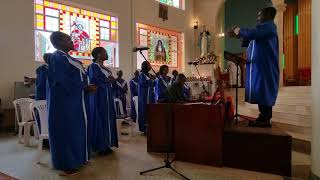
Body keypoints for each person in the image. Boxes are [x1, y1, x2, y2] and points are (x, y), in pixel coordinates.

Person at [47, 31, 95, 175]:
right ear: (60, 42)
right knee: (67, 131)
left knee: (77, 130)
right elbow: (62, 81)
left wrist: (86, 88)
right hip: (65, 104)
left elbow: (77, 78)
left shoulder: (69, 58)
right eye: (68, 39)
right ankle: (67, 163)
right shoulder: (57, 58)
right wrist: (84, 87)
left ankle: (78, 158)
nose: (72, 40)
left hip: (77, 101)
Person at [228, 7, 279, 128]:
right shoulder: (264, 29)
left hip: (265, 67)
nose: (257, 17)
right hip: (260, 67)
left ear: (267, 15)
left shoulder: (269, 26)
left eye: (260, 15)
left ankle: (265, 119)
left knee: (264, 90)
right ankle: (263, 117)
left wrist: (237, 30)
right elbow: (249, 38)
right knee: (261, 91)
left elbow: (252, 33)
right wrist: (238, 36)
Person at [87, 47, 118, 156]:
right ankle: (100, 146)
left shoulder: (104, 67)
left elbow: (109, 79)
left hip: (107, 96)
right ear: (99, 54)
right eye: (105, 52)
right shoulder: (93, 67)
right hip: (99, 96)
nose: (106, 53)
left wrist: (111, 80)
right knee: (100, 118)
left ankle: (107, 144)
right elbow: (94, 80)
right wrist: (107, 80)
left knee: (107, 119)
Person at [138, 61, 156, 133]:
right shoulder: (142, 75)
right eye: (149, 65)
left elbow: (153, 83)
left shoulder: (149, 75)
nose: (150, 67)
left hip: (150, 95)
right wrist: (151, 82)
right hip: (144, 96)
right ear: (145, 66)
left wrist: (154, 80)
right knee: (144, 110)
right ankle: (144, 128)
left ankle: (150, 126)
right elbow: (143, 84)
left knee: (150, 111)